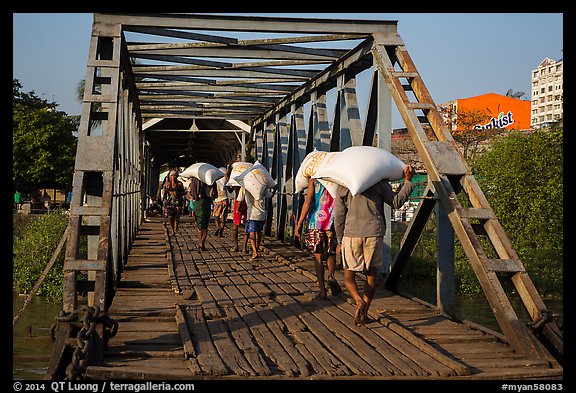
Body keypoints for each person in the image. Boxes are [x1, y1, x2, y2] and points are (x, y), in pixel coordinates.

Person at [334, 164, 415, 326]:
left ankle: (358, 302)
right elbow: (396, 202)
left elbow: (339, 216)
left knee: (348, 277)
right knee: (372, 276)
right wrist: (408, 181)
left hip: (351, 233)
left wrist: (339, 239)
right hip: (374, 232)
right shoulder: (379, 182)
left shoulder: (343, 184)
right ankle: (364, 311)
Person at [295, 178, 341, 299]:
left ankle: (322, 290)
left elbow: (308, 201)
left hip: (316, 222)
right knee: (331, 252)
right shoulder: (337, 178)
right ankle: (331, 276)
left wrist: (299, 223)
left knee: (317, 254)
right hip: (333, 220)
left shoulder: (314, 181)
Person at [239, 185, 276, 261]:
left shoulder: (244, 186)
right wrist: (275, 189)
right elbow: (270, 196)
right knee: (259, 233)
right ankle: (256, 249)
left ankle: (255, 252)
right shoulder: (261, 186)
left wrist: (238, 209)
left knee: (252, 234)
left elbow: (240, 199)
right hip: (261, 214)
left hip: (252, 214)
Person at [188, 176, 214, 251]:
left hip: (197, 203)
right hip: (206, 203)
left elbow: (189, 193)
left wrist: (192, 198)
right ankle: (202, 242)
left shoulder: (193, 182)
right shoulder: (209, 182)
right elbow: (212, 195)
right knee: (205, 225)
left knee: (199, 224)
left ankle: (200, 241)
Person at [163, 170, 186, 235]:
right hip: (170, 202)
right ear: (170, 177)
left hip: (178, 202)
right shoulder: (167, 184)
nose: (174, 177)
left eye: (175, 176)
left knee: (177, 217)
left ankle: (176, 226)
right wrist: (164, 202)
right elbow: (164, 193)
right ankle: (172, 229)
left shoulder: (179, 184)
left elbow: (183, 193)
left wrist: (177, 193)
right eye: (172, 176)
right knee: (170, 217)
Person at [230, 186, 249, 253]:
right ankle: (244, 248)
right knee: (246, 225)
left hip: (239, 200)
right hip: (247, 200)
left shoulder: (235, 178)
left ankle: (236, 246)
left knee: (235, 225)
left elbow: (230, 190)